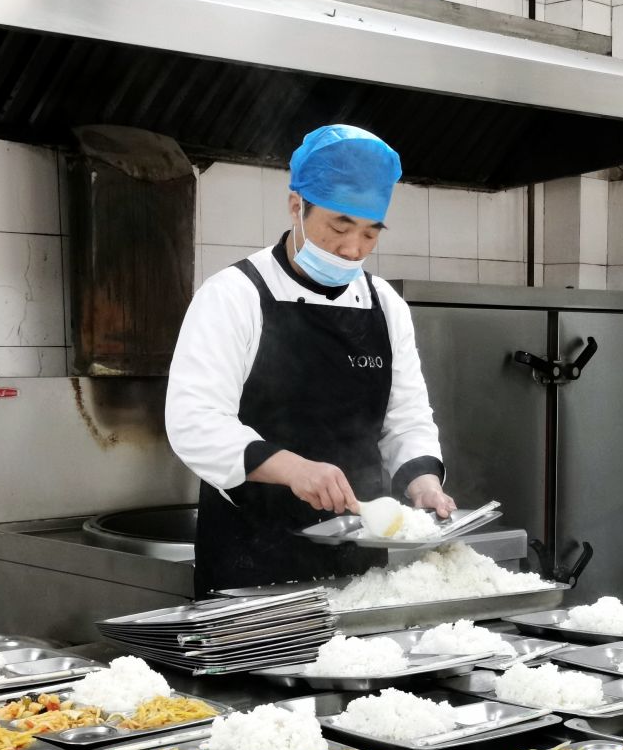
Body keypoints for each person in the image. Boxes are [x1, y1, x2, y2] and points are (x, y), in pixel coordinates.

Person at [166, 125, 454, 593]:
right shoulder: (234, 295)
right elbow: (194, 421)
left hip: (361, 564)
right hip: (252, 560)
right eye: (339, 226)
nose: (353, 249)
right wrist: (295, 469)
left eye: (370, 233)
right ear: (296, 205)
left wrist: (423, 482)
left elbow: (406, 418)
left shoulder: (384, 305)